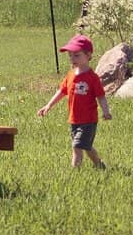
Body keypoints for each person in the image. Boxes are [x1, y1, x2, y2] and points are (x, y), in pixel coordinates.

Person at [37, 34, 112, 168]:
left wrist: (106, 111)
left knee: (77, 146)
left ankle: (74, 172)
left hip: (88, 120)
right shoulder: (70, 75)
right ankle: (99, 165)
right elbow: (62, 91)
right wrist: (48, 105)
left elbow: (101, 96)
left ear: (88, 55)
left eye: (76, 55)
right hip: (74, 119)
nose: (72, 59)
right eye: (70, 56)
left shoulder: (92, 77)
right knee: (87, 147)